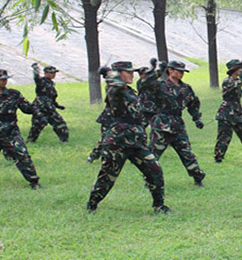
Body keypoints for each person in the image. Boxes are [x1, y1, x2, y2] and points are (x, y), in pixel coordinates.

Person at [86, 61, 169, 213]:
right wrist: (110, 74)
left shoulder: (130, 91)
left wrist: (156, 71)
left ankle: (159, 206)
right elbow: (116, 85)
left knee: (155, 170)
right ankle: (92, 204)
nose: (132, 74)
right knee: (108, 176)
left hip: (136, 142)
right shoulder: (114, 90)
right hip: (118, 142)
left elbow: (146, 83)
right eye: (128, 72)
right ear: (118, 74)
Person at [145, 60, 206, 187]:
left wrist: (196, 119)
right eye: (178, 71)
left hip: (177, 125)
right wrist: (157, 71)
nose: (181, 74)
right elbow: (146, 84)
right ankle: (150, 180)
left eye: (183, 72)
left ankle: (198, 177)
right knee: (153, 155)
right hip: (161, 124)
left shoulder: (186, 88)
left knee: (187, 153)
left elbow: (193, 104)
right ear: (170, 70)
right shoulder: (159, 85)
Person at [0, 69, 41, 189]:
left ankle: (34, 182)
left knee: (23, 156)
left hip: (11, 133)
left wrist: (38, 106)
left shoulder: (14, 94)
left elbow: (27, 108)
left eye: (5, 79)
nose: (4, 82)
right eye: (2, 80)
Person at [27, 64, 68, 143]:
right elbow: (36, 77)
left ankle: (64, 140)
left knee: (60, 123)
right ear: (45, 73)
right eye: (51, 73)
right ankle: (30, 141)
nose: (53, 74)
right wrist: (35, 68)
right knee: (37, 126)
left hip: (50, 108)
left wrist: (58, 106)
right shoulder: (41, 81)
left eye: (54, 73)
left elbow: (51, 98)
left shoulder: (51, 84)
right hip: (40, 108)